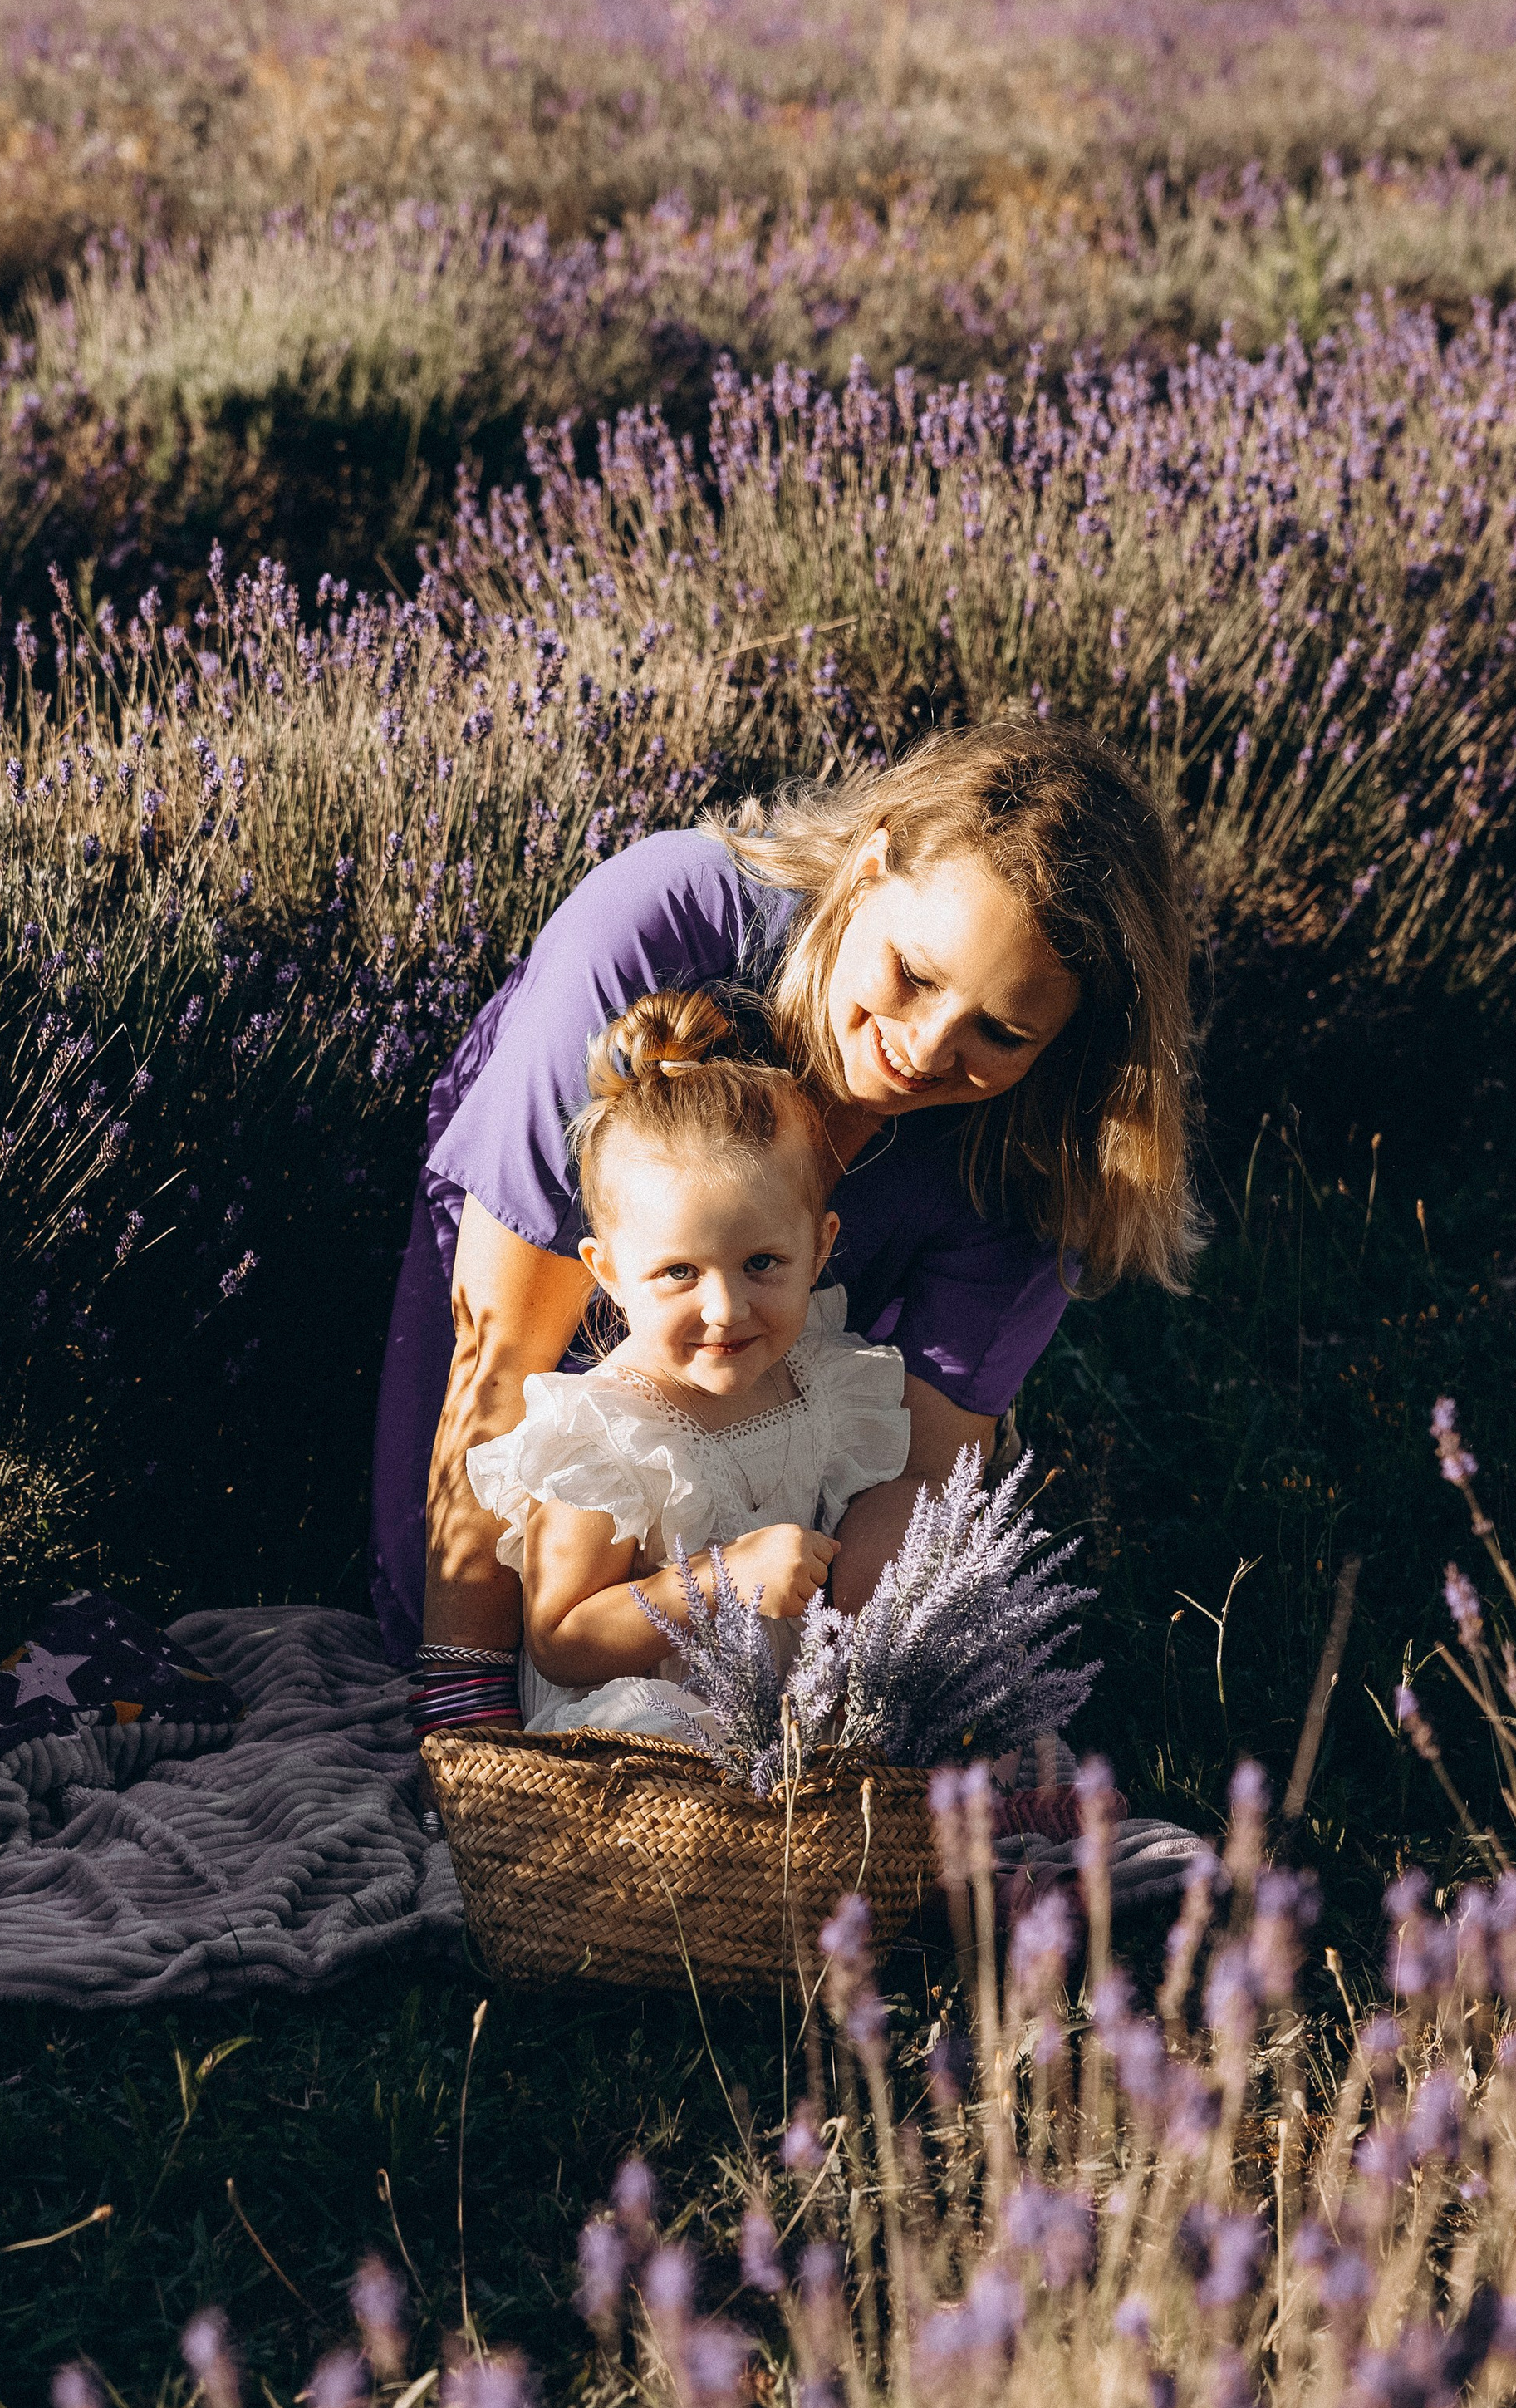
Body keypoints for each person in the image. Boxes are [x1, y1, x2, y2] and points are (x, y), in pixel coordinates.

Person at [375, 715, 1200, 1734]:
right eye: (914, 973)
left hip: (781, 1475)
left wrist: (835, 1718)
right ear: (866, 869)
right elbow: (502, 1357)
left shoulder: (1039, 1143)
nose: (924, 1050)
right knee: (439, 1619)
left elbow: (922, 1468)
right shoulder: (660, 934)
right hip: (550, 1411)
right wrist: (466, 1704)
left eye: (1001, 1031)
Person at [464, 990, 913, 1745]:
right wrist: (722, 1579)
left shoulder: (818, 1382)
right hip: (635, 1731)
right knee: (671, 1727)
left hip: (774, 1706)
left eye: (763, 1263)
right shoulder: (609, 1434)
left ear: (821, 1246)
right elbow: (561, 1637)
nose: (726, 1309)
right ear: (607, 1273)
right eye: (679, 1272)